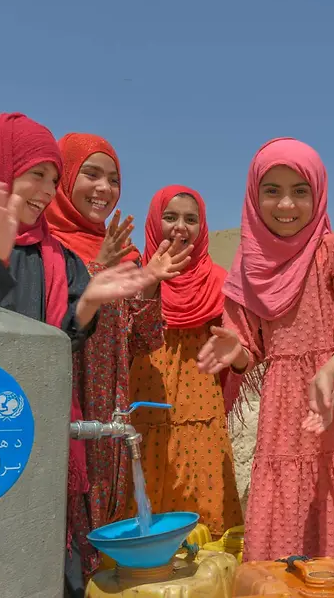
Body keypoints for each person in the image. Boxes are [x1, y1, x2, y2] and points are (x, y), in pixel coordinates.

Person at [0, 113, 159, 597]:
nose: (46, 190)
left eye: (52, 179)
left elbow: (65, 338)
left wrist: (88, 302)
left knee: (47, 555)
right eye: (35, 176)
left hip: (42, 433)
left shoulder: (55, 256)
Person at [196, 138, 334, 588]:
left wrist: (330, 369)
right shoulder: (247, 268)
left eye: (301, 190)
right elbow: (249, 350)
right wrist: (237, 355)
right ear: (253, 196)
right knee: (291, 544)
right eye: (272, 190)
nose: (286, 204)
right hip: (285, 412)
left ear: (319, 193)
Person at [46, 133, 192, 583]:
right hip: (61, 399)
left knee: (104, 518)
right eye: (91, 174)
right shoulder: (44, 245)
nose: (104, 189)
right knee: (57, 517)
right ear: (65, 177)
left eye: (113, 179)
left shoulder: (124, 254)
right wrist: (94, 270)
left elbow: (144, 341)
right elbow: (45, 323)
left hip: (109, 404)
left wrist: (149, 283)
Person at [127, 185, 244, 535]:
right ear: (154, 222)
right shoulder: (131, 273)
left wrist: (236, 349)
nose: (181, 226)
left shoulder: (219, 282)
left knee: (204, 512)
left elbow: (241, 359)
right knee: (143, 506)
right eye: (170, 217)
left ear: (202, 228)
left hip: (200, 413)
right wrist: (151, 280)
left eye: (191, 219)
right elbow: (126, 341)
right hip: (146, 407)